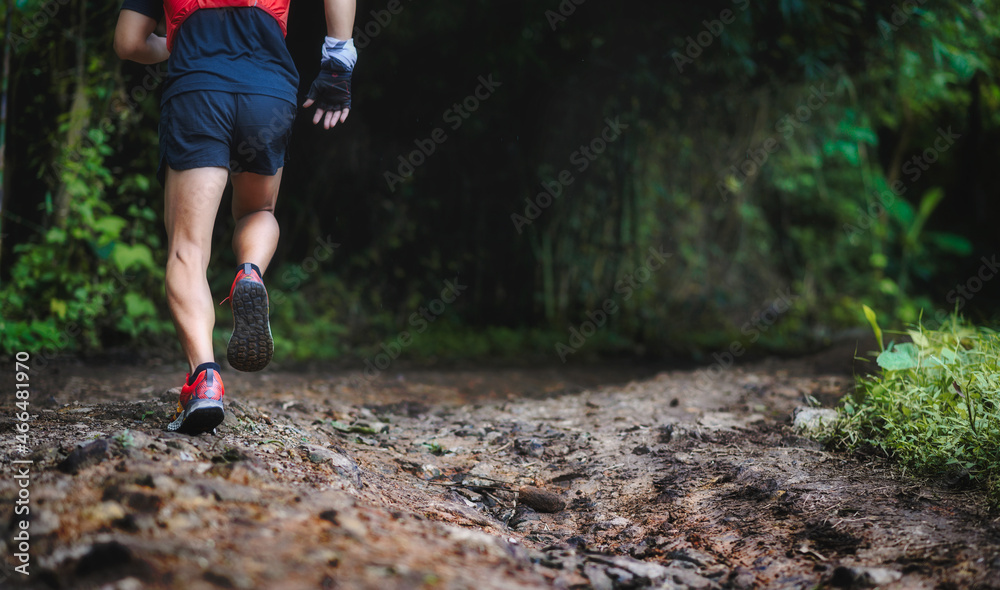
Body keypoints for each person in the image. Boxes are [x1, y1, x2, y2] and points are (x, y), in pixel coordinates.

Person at [114, 0, 357, 435]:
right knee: (258, 210)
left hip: (198, 89)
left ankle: (204, 380)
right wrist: (338, 57)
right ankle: (250, 271)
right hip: (268, 91)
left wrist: (176, 41)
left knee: (188, 249)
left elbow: (128, 42)